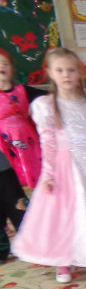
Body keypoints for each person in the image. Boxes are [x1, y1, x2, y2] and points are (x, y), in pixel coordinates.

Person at [11, 48, 86, 282]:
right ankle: (63, 259)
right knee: (65, 213)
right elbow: (47, 143)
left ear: (79, 72)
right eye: (60, 70)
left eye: (71, 70)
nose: (66, 74)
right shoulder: (46, 105)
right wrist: (49, 174)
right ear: (50, 73)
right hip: (64, 166)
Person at [0, 48, 43, 189]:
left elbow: (48, 97)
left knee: (35, 171)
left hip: (28, 141)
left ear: (12, 69)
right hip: (4, 145)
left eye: (5, 64)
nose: (1, 66)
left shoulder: (24, 90)